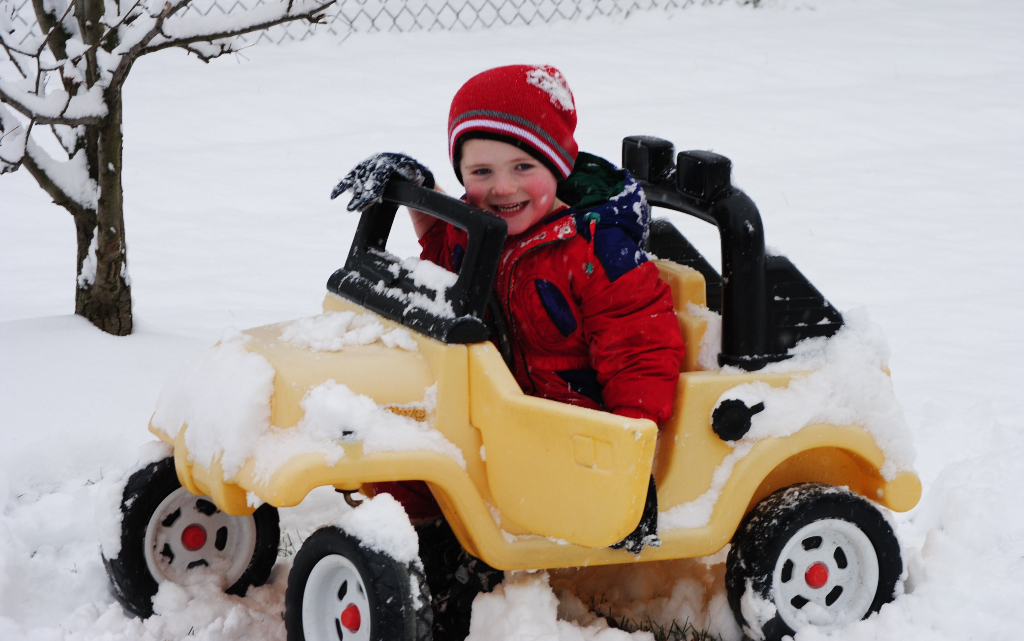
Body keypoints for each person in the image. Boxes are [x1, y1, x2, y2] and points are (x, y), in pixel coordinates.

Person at [332, 64, 686, 639]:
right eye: (481, 171)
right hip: (500, 406)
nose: (503, 188)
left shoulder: (598, 249)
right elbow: (448, 251)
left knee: (460, 480)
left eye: (524, 166)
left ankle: (462, 577)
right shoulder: (491, 225)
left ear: (559, 164)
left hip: (575, 427)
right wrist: (419, 188)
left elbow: (639, 346)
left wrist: (631, 448)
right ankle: (423, 549)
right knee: (403, 456)